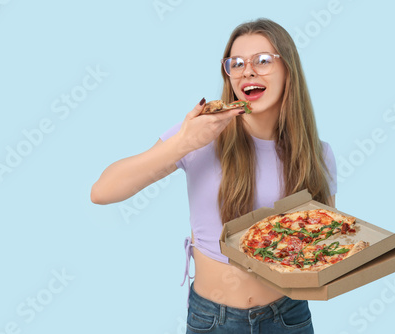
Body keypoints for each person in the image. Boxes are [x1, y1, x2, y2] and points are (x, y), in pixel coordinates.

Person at [91, 18, 336, 333]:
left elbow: (323, 249)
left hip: (288, 318)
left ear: (288, 69)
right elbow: (102, 192)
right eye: (237, 63)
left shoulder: (318, 154)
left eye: (262, 61)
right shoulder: (200, 135)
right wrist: (182, 143)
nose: (247, 70)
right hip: (213, 320)